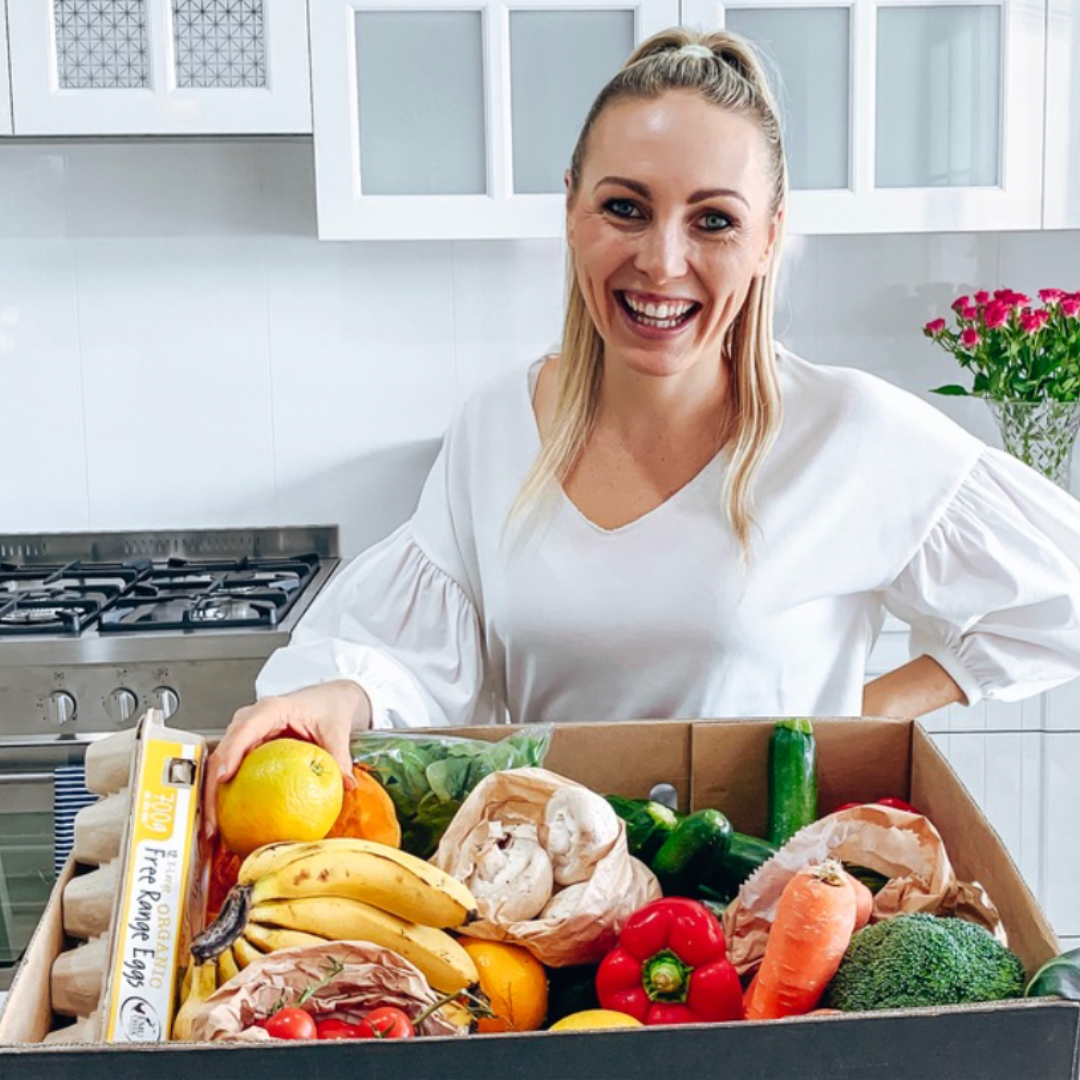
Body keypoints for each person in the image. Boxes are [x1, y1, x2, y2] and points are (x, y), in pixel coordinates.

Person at [204, 27, 1080, 827]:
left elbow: (1061, 601)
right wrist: (342, 695)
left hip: (763, 931)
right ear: (572, 209)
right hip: (543, 915)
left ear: (770, 239)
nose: (662, 261)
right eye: (625, 207)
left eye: (714, 221)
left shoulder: (850, 433)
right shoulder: (495, 430)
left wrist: (862, 714)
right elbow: (411, 655)